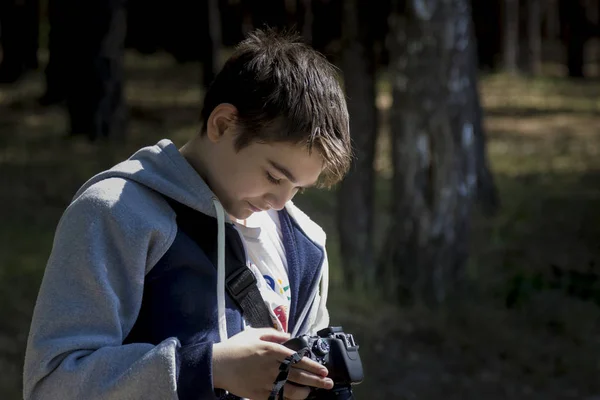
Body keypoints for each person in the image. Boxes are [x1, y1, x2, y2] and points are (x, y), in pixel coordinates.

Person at [23, 29, 352, 400]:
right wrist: (207, 368)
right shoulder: (116, 214)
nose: (280, 201)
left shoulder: (305, 245)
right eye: (274, 176)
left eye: (298, 188)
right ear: (223, 124)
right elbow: (51, 385)